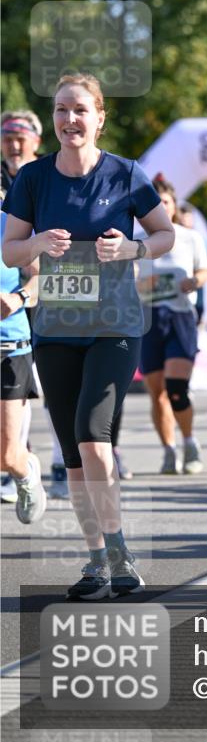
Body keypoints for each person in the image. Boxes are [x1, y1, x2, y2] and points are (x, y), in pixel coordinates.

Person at [2, 73, 174, 599]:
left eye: (79, 110)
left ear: (100, 117)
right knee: (74, 456)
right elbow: (10, 250)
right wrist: (37, 245)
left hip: (114, 327)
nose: (69, 119)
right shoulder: (33, 178)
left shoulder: (125, 174)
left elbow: (165, 234)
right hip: (55, 330)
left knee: (92, 434)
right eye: (60, 109)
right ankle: (97, 561)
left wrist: (132, 249)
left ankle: (120, 554)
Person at [1, 108, 69, 501]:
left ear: (36, 141)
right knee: (19, 390)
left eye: (20, 137)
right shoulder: (1, 179)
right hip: (11, 294)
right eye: (7, 138)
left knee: (56, 382)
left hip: (52, 289)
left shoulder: (50, 175)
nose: (13, 145)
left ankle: (62, 460)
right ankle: (15, 464)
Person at [138, 174, 207, 474]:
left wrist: (194, 282)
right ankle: (168, 450)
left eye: (165, 202)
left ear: (173, 205)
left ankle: (190, 442)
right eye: (154, 203)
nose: (161, 207)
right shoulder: (138, 240)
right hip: (148, 318)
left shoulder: (189, 237)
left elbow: (204, 270)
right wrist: (140, 282)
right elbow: (127, 278)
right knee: (157, 393)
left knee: (177, 388)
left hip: (180, 316)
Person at [0, 193, 45, 523]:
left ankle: (26, 469)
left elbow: (41, 277)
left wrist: (19, 298)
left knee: (5, 456)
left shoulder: (12, 225)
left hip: (8, 346)